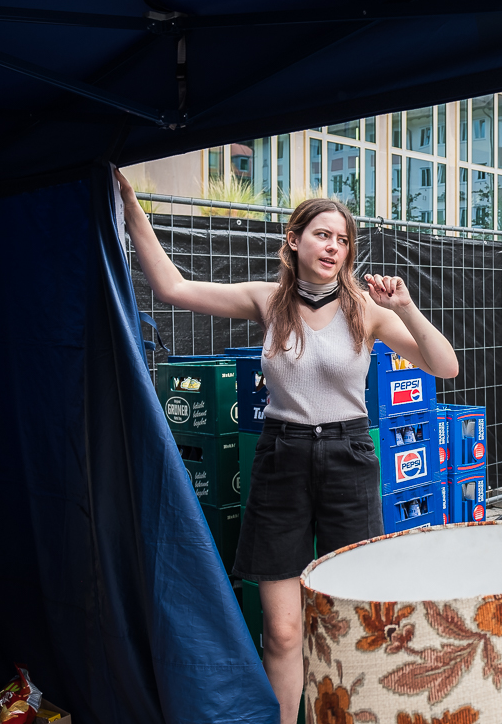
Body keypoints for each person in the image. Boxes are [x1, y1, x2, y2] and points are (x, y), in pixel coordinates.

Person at [117, 170, 459, 724]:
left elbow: (444, 366)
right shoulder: (267, 300)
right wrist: (133, 208)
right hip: (282, 458)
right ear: (295, 241)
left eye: (343, 239)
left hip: (348, 458)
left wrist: (405, 307)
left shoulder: (365, 312)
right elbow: (172, 289)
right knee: (281, 630)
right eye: (323, 234)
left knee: (356, 618)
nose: (334, 247)